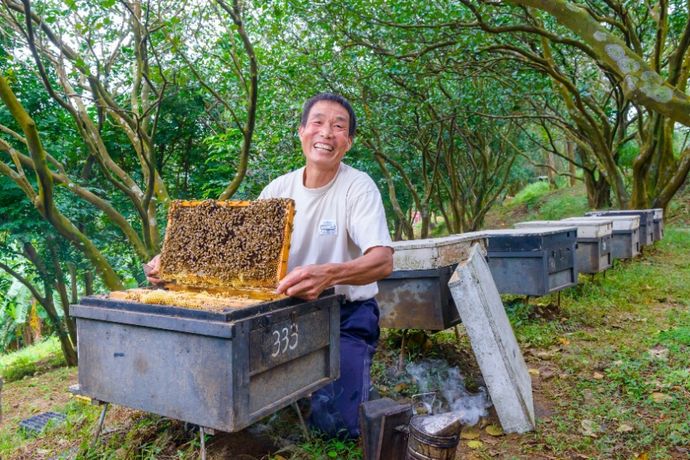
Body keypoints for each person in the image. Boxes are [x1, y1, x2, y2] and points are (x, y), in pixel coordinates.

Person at [146, 93, 393, 439]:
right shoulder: (278, 189)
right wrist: (172, 263)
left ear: (348, 143)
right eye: (318, 122)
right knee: (228, 398)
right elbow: (239, 256)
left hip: (345, 315)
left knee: (335, 427)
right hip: (281, 315)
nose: (327, 133)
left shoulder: (358, 187)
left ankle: (334, 390)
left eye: (339, 127)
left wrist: (329, 274)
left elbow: (382, 260)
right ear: (302, 131)